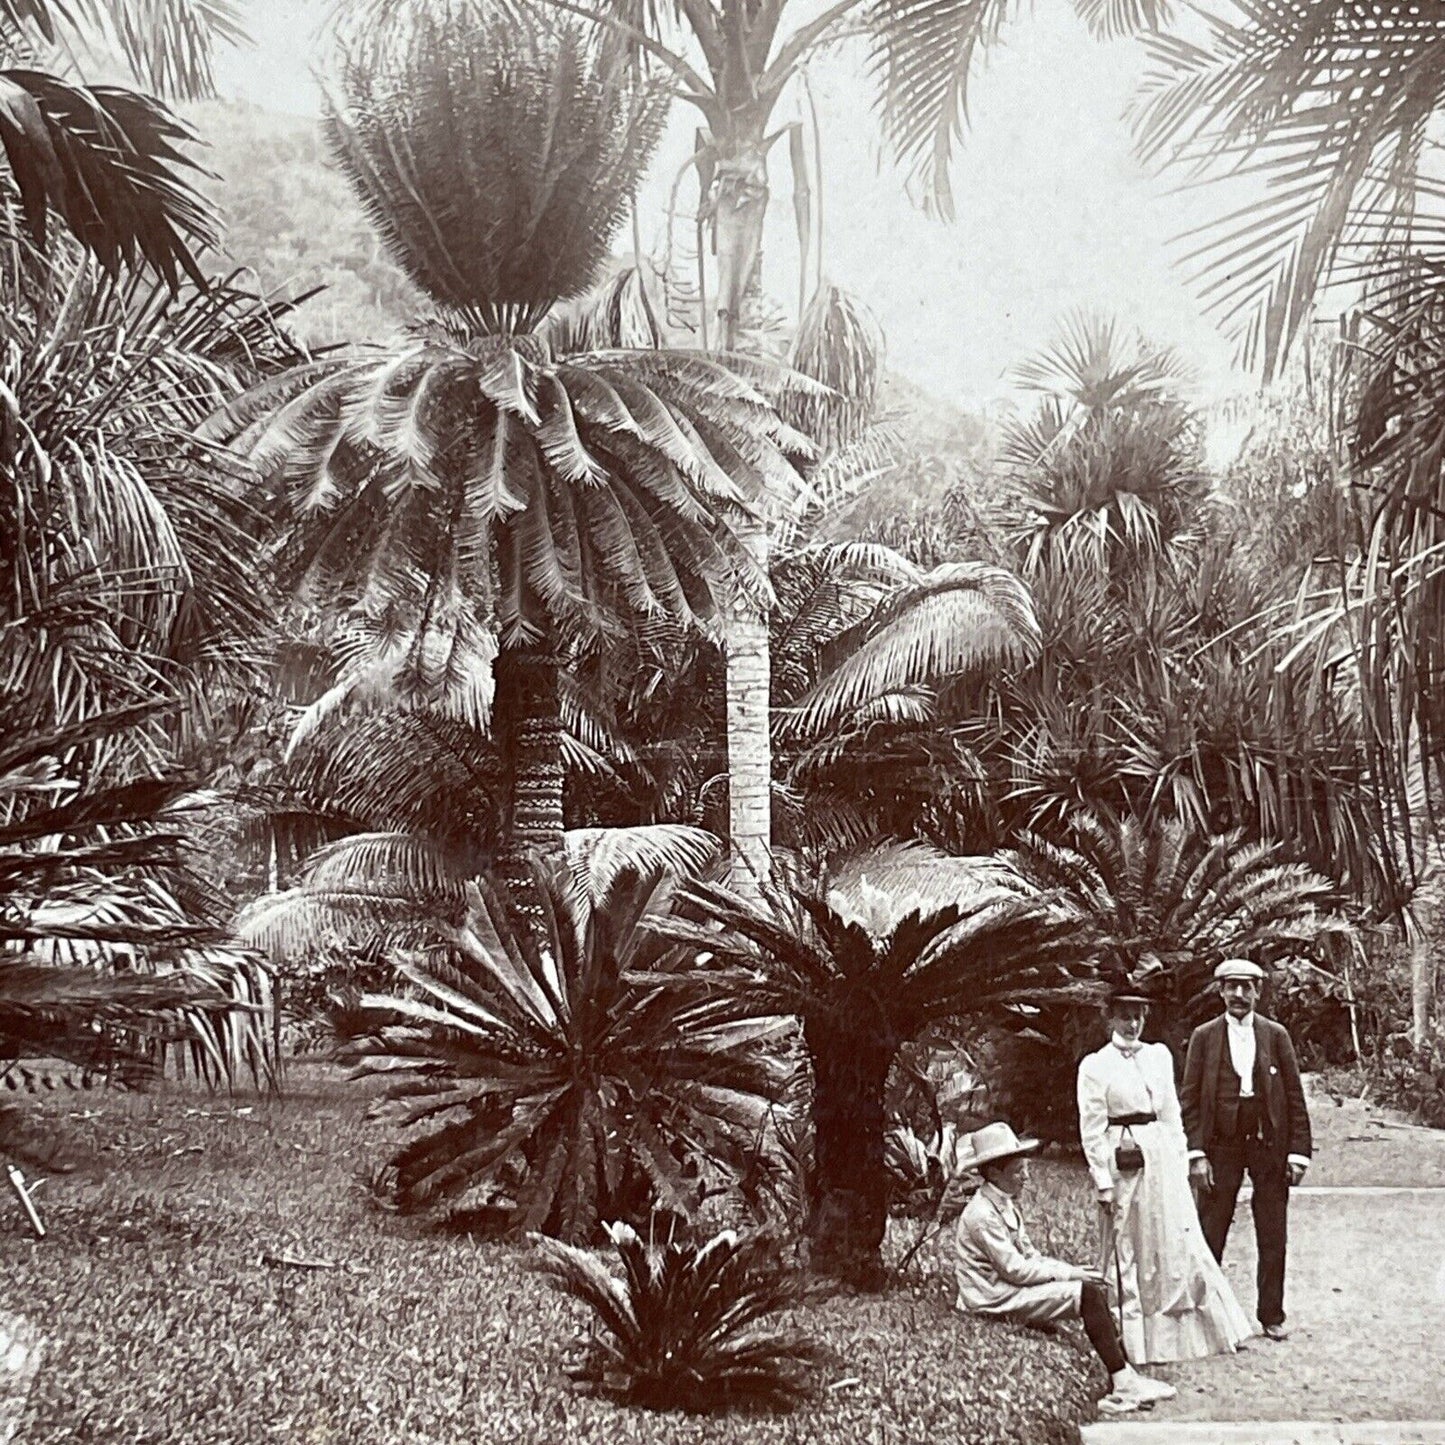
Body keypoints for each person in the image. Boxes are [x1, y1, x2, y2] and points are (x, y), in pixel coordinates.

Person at [1077, 981, 1253, 1364]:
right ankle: (1134, 1341)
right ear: (1111, 1018)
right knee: (1129, 1245)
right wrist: (1103, 1182)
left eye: (1138, 1017)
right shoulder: (1095, 1066)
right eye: (1124, 1017)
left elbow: (1172, 1113)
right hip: (1121, 1154)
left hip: (1160, 1156)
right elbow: (1090, 1128)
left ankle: (1189, 1332)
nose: (1132, 1025)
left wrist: (1182, 1160)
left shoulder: (1159, 1056)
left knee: (1175, 1242)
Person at [954, 1120, 1177, 1416]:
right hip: (992, 1299)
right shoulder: (982, 1215)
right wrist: (1070, 1275)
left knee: (1091, 1287)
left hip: (1007, 1288)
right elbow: (1015, 1270)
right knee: (1085, 1294)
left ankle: (1125, 1375)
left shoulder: (1003, 1203)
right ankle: (1122, 1382)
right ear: (993, 1172)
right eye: (1018, 1171)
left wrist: (1069, 1269)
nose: (1025, 1177)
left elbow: (1030, 1256)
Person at [1181, 957, 1313, 1342]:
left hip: (1267, 1143)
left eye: (1247, 986)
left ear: (1258, 991)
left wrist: (1298, 1152)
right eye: (1231, 986)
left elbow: (1293, 1096)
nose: (1239, 994)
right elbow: (1189, 1100)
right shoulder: (1204, 1037)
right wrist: (1197, 1153)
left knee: (1273, 1230)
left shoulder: (1276, 1035)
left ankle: (1271, 1314)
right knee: (1212, 1229)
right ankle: (1209, 1316)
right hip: (1221, 1145)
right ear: (1221, 990)